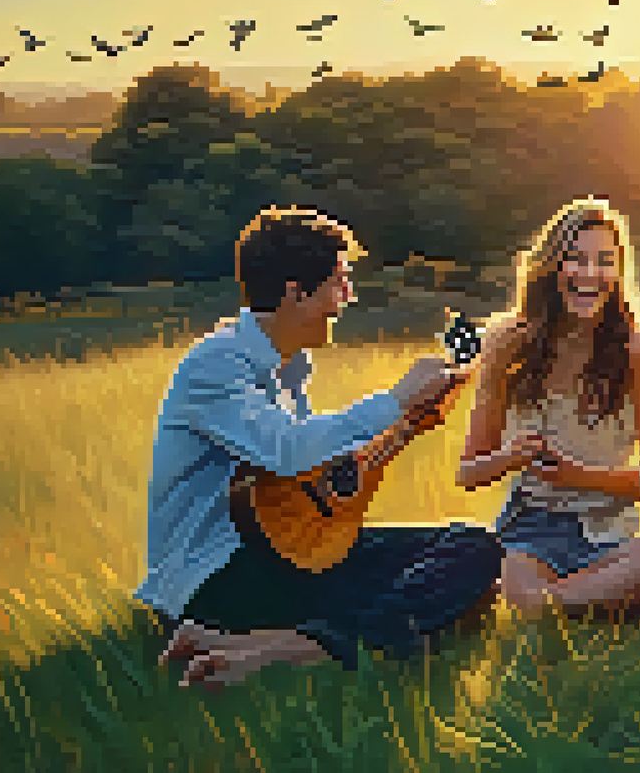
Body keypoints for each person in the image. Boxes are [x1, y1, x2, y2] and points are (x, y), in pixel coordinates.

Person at [133, 206, 503, 691]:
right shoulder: (216, 365)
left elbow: (306, 487)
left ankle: (272, 645)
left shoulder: (290, 366)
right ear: (295, 292)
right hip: (219, 579)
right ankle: (298, 650)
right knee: (445, 603)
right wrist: (396, 399)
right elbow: (287, 450)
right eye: (340, 282)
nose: (347, 297)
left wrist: (409, 426)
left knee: (475, 548)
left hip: (287, 555)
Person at [456, 197, 640, 619]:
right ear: (550, 267)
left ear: (619, 272)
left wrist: (578, 477)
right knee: (515, 572)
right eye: (575, 258)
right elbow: (469, 473)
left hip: (609, 535)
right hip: (529, 530)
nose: (589, 273)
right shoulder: (506, 341)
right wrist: (511, 457)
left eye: (604, 261)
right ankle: (583, 603)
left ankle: (548, 605)